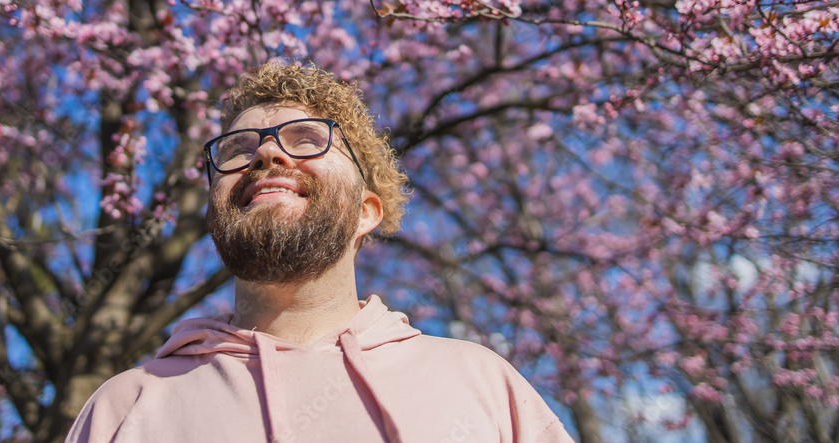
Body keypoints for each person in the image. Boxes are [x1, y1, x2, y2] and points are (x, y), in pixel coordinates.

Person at [67, 62, 574, 443]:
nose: (266, 153)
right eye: (238, 149)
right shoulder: (125, 407)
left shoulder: (482, 385)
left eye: (308, 139)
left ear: (366, 211)